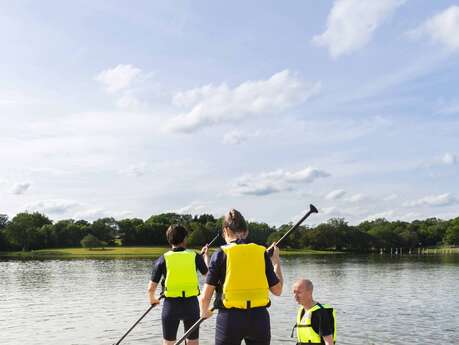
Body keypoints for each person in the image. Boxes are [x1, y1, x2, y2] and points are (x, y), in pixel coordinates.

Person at [199, 209, 283, 345]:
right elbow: (278, 290)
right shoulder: (261, 253)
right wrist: (276, 261)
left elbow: (205, 298)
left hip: (230, 319)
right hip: (259, 319)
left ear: (225, 231)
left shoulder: (221, 253)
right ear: (246, 231)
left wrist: (205, 312)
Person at [147, 224, 209, 345]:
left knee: (168, 343)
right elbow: (209, 276)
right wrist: (205, 256)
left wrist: (152, 300)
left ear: (169, 239)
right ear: (185, 239)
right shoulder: (195, 256)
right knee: (192, 342)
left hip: (171, 306)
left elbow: (150, 288)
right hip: (191, 306)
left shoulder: (163, 258)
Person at [291, 279, 336, 345]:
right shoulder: (301, 311)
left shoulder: (320, 313)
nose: (295, 296)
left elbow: (329, 342)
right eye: (294, 292)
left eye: (299, 292)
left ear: (309, 292)